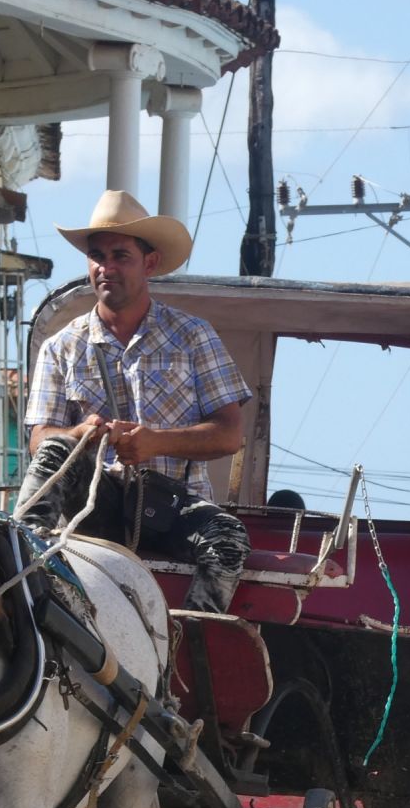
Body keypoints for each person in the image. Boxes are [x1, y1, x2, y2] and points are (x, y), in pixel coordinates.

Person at [15, 190, 252, 613]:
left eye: (120, 255)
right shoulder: (61, 347)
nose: (105, 267)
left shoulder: (193, 336)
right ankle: (18, 564)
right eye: (97, 256)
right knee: (55, 448)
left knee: (227, 540)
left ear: (150, 263)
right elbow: (39, 439)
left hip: (174, 504)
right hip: (95, 505)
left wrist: (156, 442)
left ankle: (189, 642)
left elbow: (229, 434)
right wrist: (80, 434)